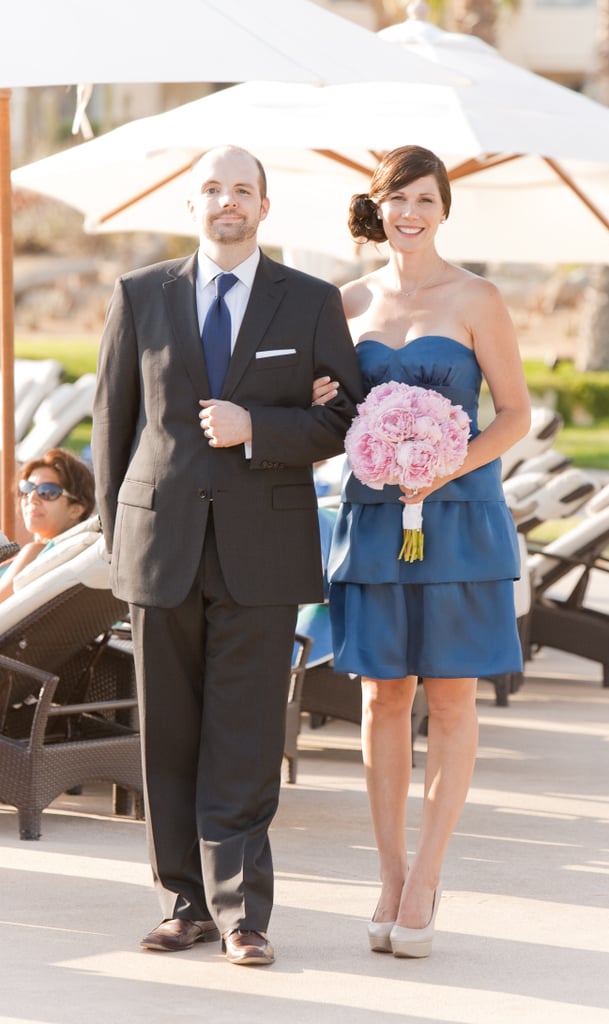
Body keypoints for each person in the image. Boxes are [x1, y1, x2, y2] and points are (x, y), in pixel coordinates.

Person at [91, 145, 363, 967]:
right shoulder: (140, 295)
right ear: (191, 206)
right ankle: (183, 904)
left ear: (263, 207)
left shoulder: (311, 301)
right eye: (211, 189)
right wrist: (118, 540)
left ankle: (244, 913)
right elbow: (113, 426)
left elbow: (346, 417)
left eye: (241, 189)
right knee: (168, 733)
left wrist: (261, 429)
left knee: (244, 734)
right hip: (160, 542)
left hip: (263, 551)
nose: (226, 201)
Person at [315, 145, 531, 959]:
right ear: (376, 207)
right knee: (380, 700)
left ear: (444, 211)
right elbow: (330, 422)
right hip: (374, 520)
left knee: (449, 700)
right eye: (396, 199)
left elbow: (513, 416)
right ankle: (388, 870)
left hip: (459, 519)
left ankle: (427, 876)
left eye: (425, 200)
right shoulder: (343, 303)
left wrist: (445, 463)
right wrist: (324, 408)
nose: (409, 213)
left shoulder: (478, 297)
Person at [0, 448, 95, 604]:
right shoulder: (72, 557)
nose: (32, 498)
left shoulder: (34, 552)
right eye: (27, 488)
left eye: (48, 492)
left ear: (76, 509)